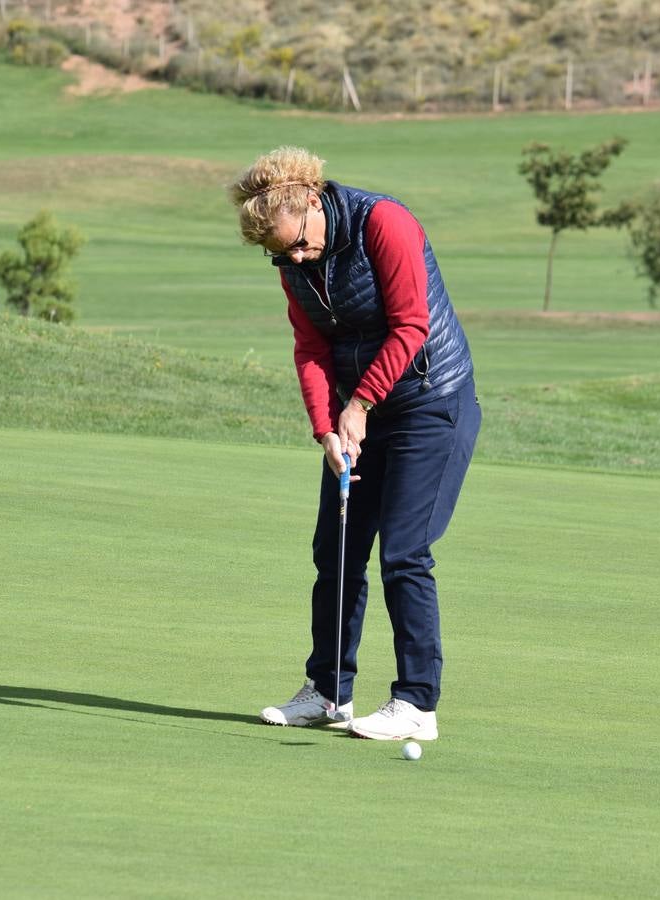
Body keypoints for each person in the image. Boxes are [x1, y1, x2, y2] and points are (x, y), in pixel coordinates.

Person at [228, 146, 480, 741]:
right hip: (355, 411)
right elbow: (311, 348)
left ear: (313, 202)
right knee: (336, 549)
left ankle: (416, 704)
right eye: (281, 254)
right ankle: (328, 692)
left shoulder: (384, 223)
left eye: (299, 242)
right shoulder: (292, 263)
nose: (294, 257)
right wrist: (326, 430)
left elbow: (410, 325)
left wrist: (360, 405)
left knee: (404, 553)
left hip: (429, 402)